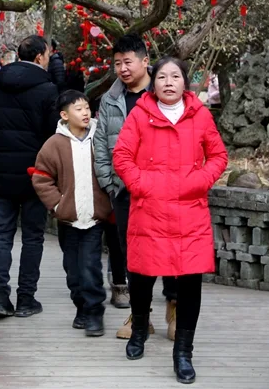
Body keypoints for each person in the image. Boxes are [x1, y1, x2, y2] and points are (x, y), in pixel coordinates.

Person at [113, 57, 228, 384]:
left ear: (184, 82)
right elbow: (121, 155)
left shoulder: (200, 115)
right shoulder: (140, 114)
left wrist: (199, 181)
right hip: (149, 209)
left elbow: (219, 156)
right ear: (153, 80)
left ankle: (183, 352)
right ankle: (138, 331)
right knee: (142, 277)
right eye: (161, 76)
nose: (168, 82)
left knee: (190, 282)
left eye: (175, 76)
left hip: (189, 211)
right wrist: (140, 184)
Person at [93, 34, 174, 337]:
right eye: (117, 63)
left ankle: (174, 306)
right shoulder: (110, 99)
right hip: (125, 190)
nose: (123, 69)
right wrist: (109, 181)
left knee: (168, 249)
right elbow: (100, 143)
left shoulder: (166, 94)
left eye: (128, 62)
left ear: (144, 61)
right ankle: (140, 316)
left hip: (164, 189)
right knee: (133, 254)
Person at [0, 34, 59, 319]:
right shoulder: (48, 90)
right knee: (33, 237)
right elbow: (53, 137)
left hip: (1, 172)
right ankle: (26, 298)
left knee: (1, 235)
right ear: (39, 57)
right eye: (48, 54)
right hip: (37, 174)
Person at [31, 90, 111, 337]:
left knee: (90, 266)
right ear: (64, 115)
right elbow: (42, 178)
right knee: (73, 269)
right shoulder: (54, 144)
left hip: (95, 218)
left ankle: (94, 312)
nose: (85, 112)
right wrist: (58, 205)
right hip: (69, 219)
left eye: (87, 107)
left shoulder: (99, 138)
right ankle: (81, 307)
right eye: (78, 109)